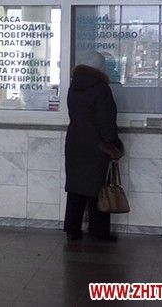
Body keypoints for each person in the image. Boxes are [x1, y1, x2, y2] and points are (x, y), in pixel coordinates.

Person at [63, 50, 121, 242]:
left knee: (75, 188)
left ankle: (72, 229)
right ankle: (99, 231)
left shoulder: (73, 87)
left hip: (75, 142)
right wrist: (112, 143)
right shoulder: (101, 89)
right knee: (97, 189)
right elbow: (107, 121)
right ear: (99, 68)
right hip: (96, 145)